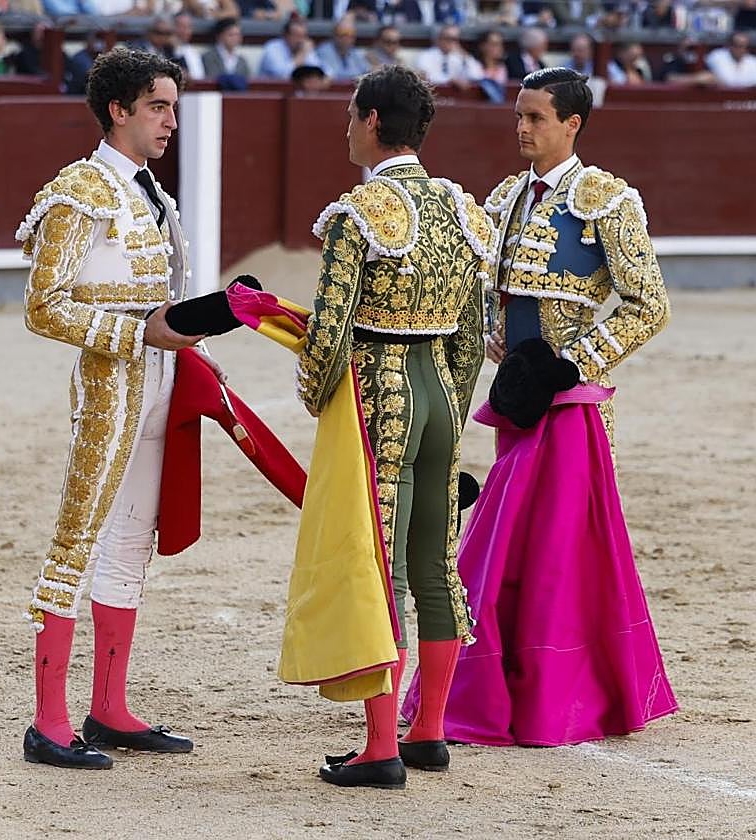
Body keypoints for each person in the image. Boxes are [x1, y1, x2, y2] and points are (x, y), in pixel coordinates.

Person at [401, 67, 676, 748]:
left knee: (557, 556)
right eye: (519, 116)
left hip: (574, 407)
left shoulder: (606, 200)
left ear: (572, 124)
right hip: (517, 406)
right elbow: (487, 294)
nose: (522, 129)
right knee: (518, 552)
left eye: (536, 118)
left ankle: (564, 696)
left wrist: (570, 365)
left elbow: (652, 305)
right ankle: (520, 687)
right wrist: (500, 351)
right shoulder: (504, 199)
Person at [17, 47, 224, 770]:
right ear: (119, 110)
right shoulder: (79, 189)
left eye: (173, 106)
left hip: (162, 377)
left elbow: (157, 301)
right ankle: (47, 721)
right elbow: (43, 308)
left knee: (131, 540)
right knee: (79, 538)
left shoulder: (148, 192)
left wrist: (187, 338)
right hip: (111, 383)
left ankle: (108, 708)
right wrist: (138, 332)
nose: (172, 120)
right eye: (159, 107)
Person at [303, 66, 497, 789]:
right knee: (435, 566)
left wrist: (317, 399)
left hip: (380, 400)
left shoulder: (362, 212)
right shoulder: (456, 207)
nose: (347, 126)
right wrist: (451, 392)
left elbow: (328, 331)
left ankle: (381, 747)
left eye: (353, 115)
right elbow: (473, 333)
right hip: (441, 395)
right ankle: (429, 732)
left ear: (376, 120)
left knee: (376, 566)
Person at [315, 15, 370, 80]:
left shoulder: (355, 52)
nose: (347, 39)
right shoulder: (324, 51)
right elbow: (334, 77)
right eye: (343, 35)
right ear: (334, 35)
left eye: (351, 35)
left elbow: (364, 72)